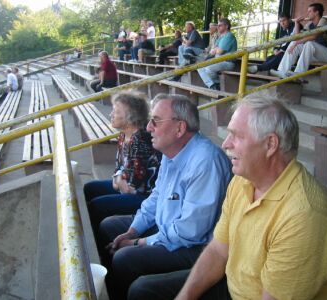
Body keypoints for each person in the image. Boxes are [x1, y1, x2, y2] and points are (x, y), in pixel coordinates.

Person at [128, 95, 327, 300]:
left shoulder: (304, 218)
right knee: (142, 290)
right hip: (233, 287)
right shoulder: (243, 180)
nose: (225, 144)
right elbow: (218, 251)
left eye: (237, 136)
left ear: (270, 144)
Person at [98, 93, 232, 299]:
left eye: (156, 121)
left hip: (196, 246)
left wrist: (138, 243)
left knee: (125, 259)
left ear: (179, 128)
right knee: (110, 226)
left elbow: (189, 232)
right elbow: (156, 198)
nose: (149, 127)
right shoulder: (171, 151)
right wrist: (133, 232)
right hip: (169, 227)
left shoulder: (206, 161)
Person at [84, 92, 161, 241]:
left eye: (117, 111)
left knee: (96, 206)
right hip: (128, 186)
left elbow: (129, 188)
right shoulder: (124, 135)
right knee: (90, 188)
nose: (111, 114)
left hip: (146, 196)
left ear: (131, 117)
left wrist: (118, 179)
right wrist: (118, 178)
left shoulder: (140, 140)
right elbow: (118, 168)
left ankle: (100, 248)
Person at [270, 3, 327, 78]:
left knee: (309, 44)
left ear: (316, 12)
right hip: (317, 54)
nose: (307, 13)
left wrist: (296, 43)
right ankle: (282, 71)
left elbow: (314, 36)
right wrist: (296, 23)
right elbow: (297, 37)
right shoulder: (310, 24)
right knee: (295, 43)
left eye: (310, 11)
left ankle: (299, 74)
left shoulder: (323, 20)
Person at [197, 18, 237, 90]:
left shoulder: (229, 36)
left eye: (220, 25)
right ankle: (212, 85)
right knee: (199, 67)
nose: (218, 27)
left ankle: (216, 84)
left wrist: (216, 49)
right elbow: (212, 51)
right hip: (218, 61)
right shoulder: (221, 37)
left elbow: (219, 51)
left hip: (228, 62)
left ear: (226, 26)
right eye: (218, 26)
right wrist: (216, 49)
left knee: (208, 69)